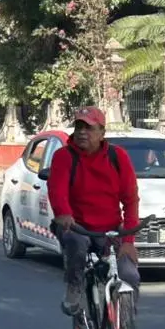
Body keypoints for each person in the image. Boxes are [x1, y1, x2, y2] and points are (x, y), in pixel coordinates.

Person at [48, 106, 141, 316]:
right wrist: (63, 213)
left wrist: (129, 241)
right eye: (79, 126)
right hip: (76, 226)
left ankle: (124, 324)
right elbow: (57, 190)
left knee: (129, 274)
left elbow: (131, 200)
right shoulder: (64, 156)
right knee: (76, 244)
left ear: (102, 133)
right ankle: (74, 286)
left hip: (110, 228)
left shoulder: (118, 157)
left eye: (89, 128)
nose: (82, 132)